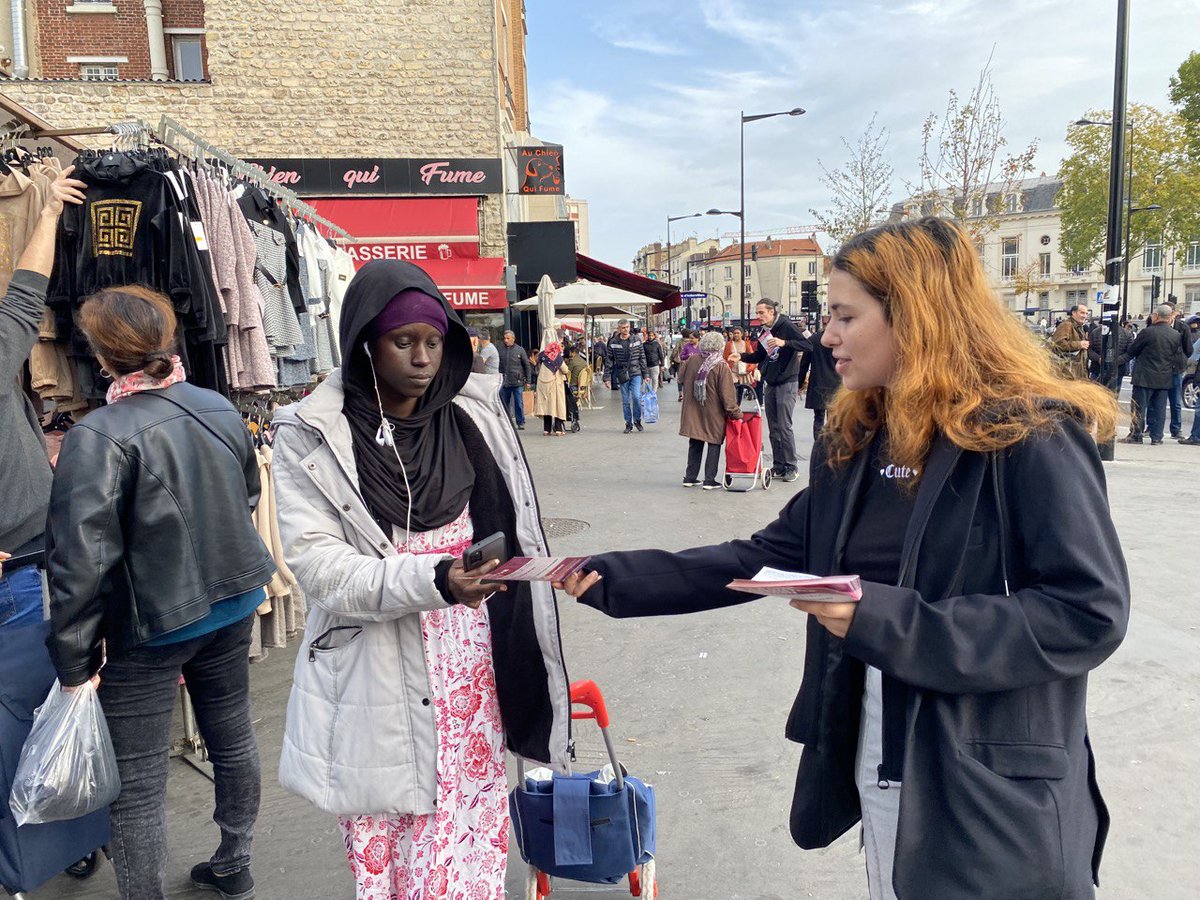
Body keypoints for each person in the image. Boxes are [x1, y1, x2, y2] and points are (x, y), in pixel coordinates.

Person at [557, 218, 1127, 900]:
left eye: (844, 316)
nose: (825, 335)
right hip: (876, 754)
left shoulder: (1030, 436)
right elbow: (766, 557)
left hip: (988, 780)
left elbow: (1087, 612)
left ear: (916, 317)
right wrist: (615, 578)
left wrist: (883, 618)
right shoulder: (858, 438)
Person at [271, 260, 571, 899]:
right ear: (364, 342)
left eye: (434, 341)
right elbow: (322, 568)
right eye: (402, 341)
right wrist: (435, 579)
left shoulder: (470, 415)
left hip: (467, 666)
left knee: (466, 833)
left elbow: (510, 518)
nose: (422, 358)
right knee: (395, 829)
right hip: (375, 668)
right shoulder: (312, 434)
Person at [45, 286, 277, 900]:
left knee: (140, 781)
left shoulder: (97, 436)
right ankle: (236, 861)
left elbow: (79, 564)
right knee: (232, 734)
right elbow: (246, 495)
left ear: (100, 357)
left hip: (151, 626)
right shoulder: (217, 407)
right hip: (230, 602)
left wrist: (72, 663)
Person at [1, 167, 85, 631]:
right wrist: (50, 211)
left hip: (28, 550)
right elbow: (24, 298)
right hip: (21, 561)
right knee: (35, 696)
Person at [730, 298, 811, 482]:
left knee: (784, 426)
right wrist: (741, 356)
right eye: (757, 313)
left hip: (786, 381)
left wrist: (785, 343)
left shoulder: (786, 325)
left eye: (761, 313)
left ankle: (792, 466)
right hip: (771, 381)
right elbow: (760, 355)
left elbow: (808, 345)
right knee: (774, 427)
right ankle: (779, 465)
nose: (758, 316)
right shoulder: (765, 331)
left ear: (771, 312)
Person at [679, 331, 742, 489]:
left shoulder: (691, 360)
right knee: (714, 442)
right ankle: (709, 479)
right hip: (713, 412)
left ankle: (690, 477)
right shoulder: (720, 366)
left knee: (695, 441)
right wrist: (735, 413)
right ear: (720, 346)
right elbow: (727, 395)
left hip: (693, 409)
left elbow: (680, 378)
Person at [1123, 304, 1186, 445]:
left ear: (1156, 316)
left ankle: (1136, 434)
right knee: (1159, 408)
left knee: (1139, 407)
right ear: (1169, 318)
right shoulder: (1175, 335)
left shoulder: (1147, 332)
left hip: (1144, 375)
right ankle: (1157, 437)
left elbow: (1133, 350)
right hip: (1164, 376)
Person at [796, 324, 842, 439]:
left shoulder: (813, 341)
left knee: (818, 417)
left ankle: (819, 444)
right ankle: (833, 443)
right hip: (836, 382)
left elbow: (804, 365)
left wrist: (799, 383)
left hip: (818, 382)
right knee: (834, 416)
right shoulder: (839, 341)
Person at [604, 318, 650, 433]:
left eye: (627, 327)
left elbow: (642, 357)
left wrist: (645, 374)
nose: (626, 330)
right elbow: (609, 360)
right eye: (623, 328)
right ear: (619, 329)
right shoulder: (613, 342)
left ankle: (637, 420)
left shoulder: (636, 340)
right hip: (622, 373)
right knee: (625, 401)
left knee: (636, 397)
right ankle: (628, 423)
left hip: (635, 372)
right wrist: (607, 378)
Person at [1166, 305, 1194, 438]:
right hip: (1160, 367)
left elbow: (1188, 349)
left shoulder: (1183, 327)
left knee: (1175, 400)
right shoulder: (1155, 324)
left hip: (1176, 367)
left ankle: (1176, 428)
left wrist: (1181, 360)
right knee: (1156, 399)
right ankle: (1152, 426)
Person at [498, 329, 531, 430]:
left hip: (517, 381)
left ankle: (520, 422)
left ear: (513, 338)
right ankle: (506, 422)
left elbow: (527, 366)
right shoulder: (500, 349)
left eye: (508, 338)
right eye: (505, 338)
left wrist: (528, 381)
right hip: (504, 381)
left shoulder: (520, 350)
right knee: (504, 403)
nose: (506, 340)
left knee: (518, 403)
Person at [534, 339, 569, 435]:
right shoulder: (557, 357)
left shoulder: (541, 356)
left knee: (546, 407)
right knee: (557, 406)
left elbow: (537, 368)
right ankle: (558, 429)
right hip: (555, 385)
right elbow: (565, 370)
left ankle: (546, 430)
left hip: (542, 385)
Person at [1087, 318, 1132, 391]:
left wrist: (1116, 361)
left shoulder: (1126, 334)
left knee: (1110, 395)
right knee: (1095, 395)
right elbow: (1089, 349)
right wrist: (1098, 358)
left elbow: (1130, 353)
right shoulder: (1095, 332)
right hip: (1098, 368)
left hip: (1117, 370)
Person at [1050, 304, 1090, 380]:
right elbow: (1058, 344)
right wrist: (1079, 344)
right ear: (1074, 313)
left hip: (1076, 371)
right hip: (1068, 372)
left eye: (1086, 313)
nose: (1084, 316)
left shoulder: (1079, 327)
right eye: (1082, 313)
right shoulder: (1066, 325)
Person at [723, 326, 761, 403]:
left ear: (742, 334)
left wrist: (750, 367)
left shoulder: (746, 344)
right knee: (733, 387)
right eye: (734, 333)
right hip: (732, 369)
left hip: (743, 370)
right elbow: (725, 357)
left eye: (738, 333)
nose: (736, 335)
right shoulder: (729, 344)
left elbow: (751, 356)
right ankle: (733, 404)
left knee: (740, 389)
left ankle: (738, 405)